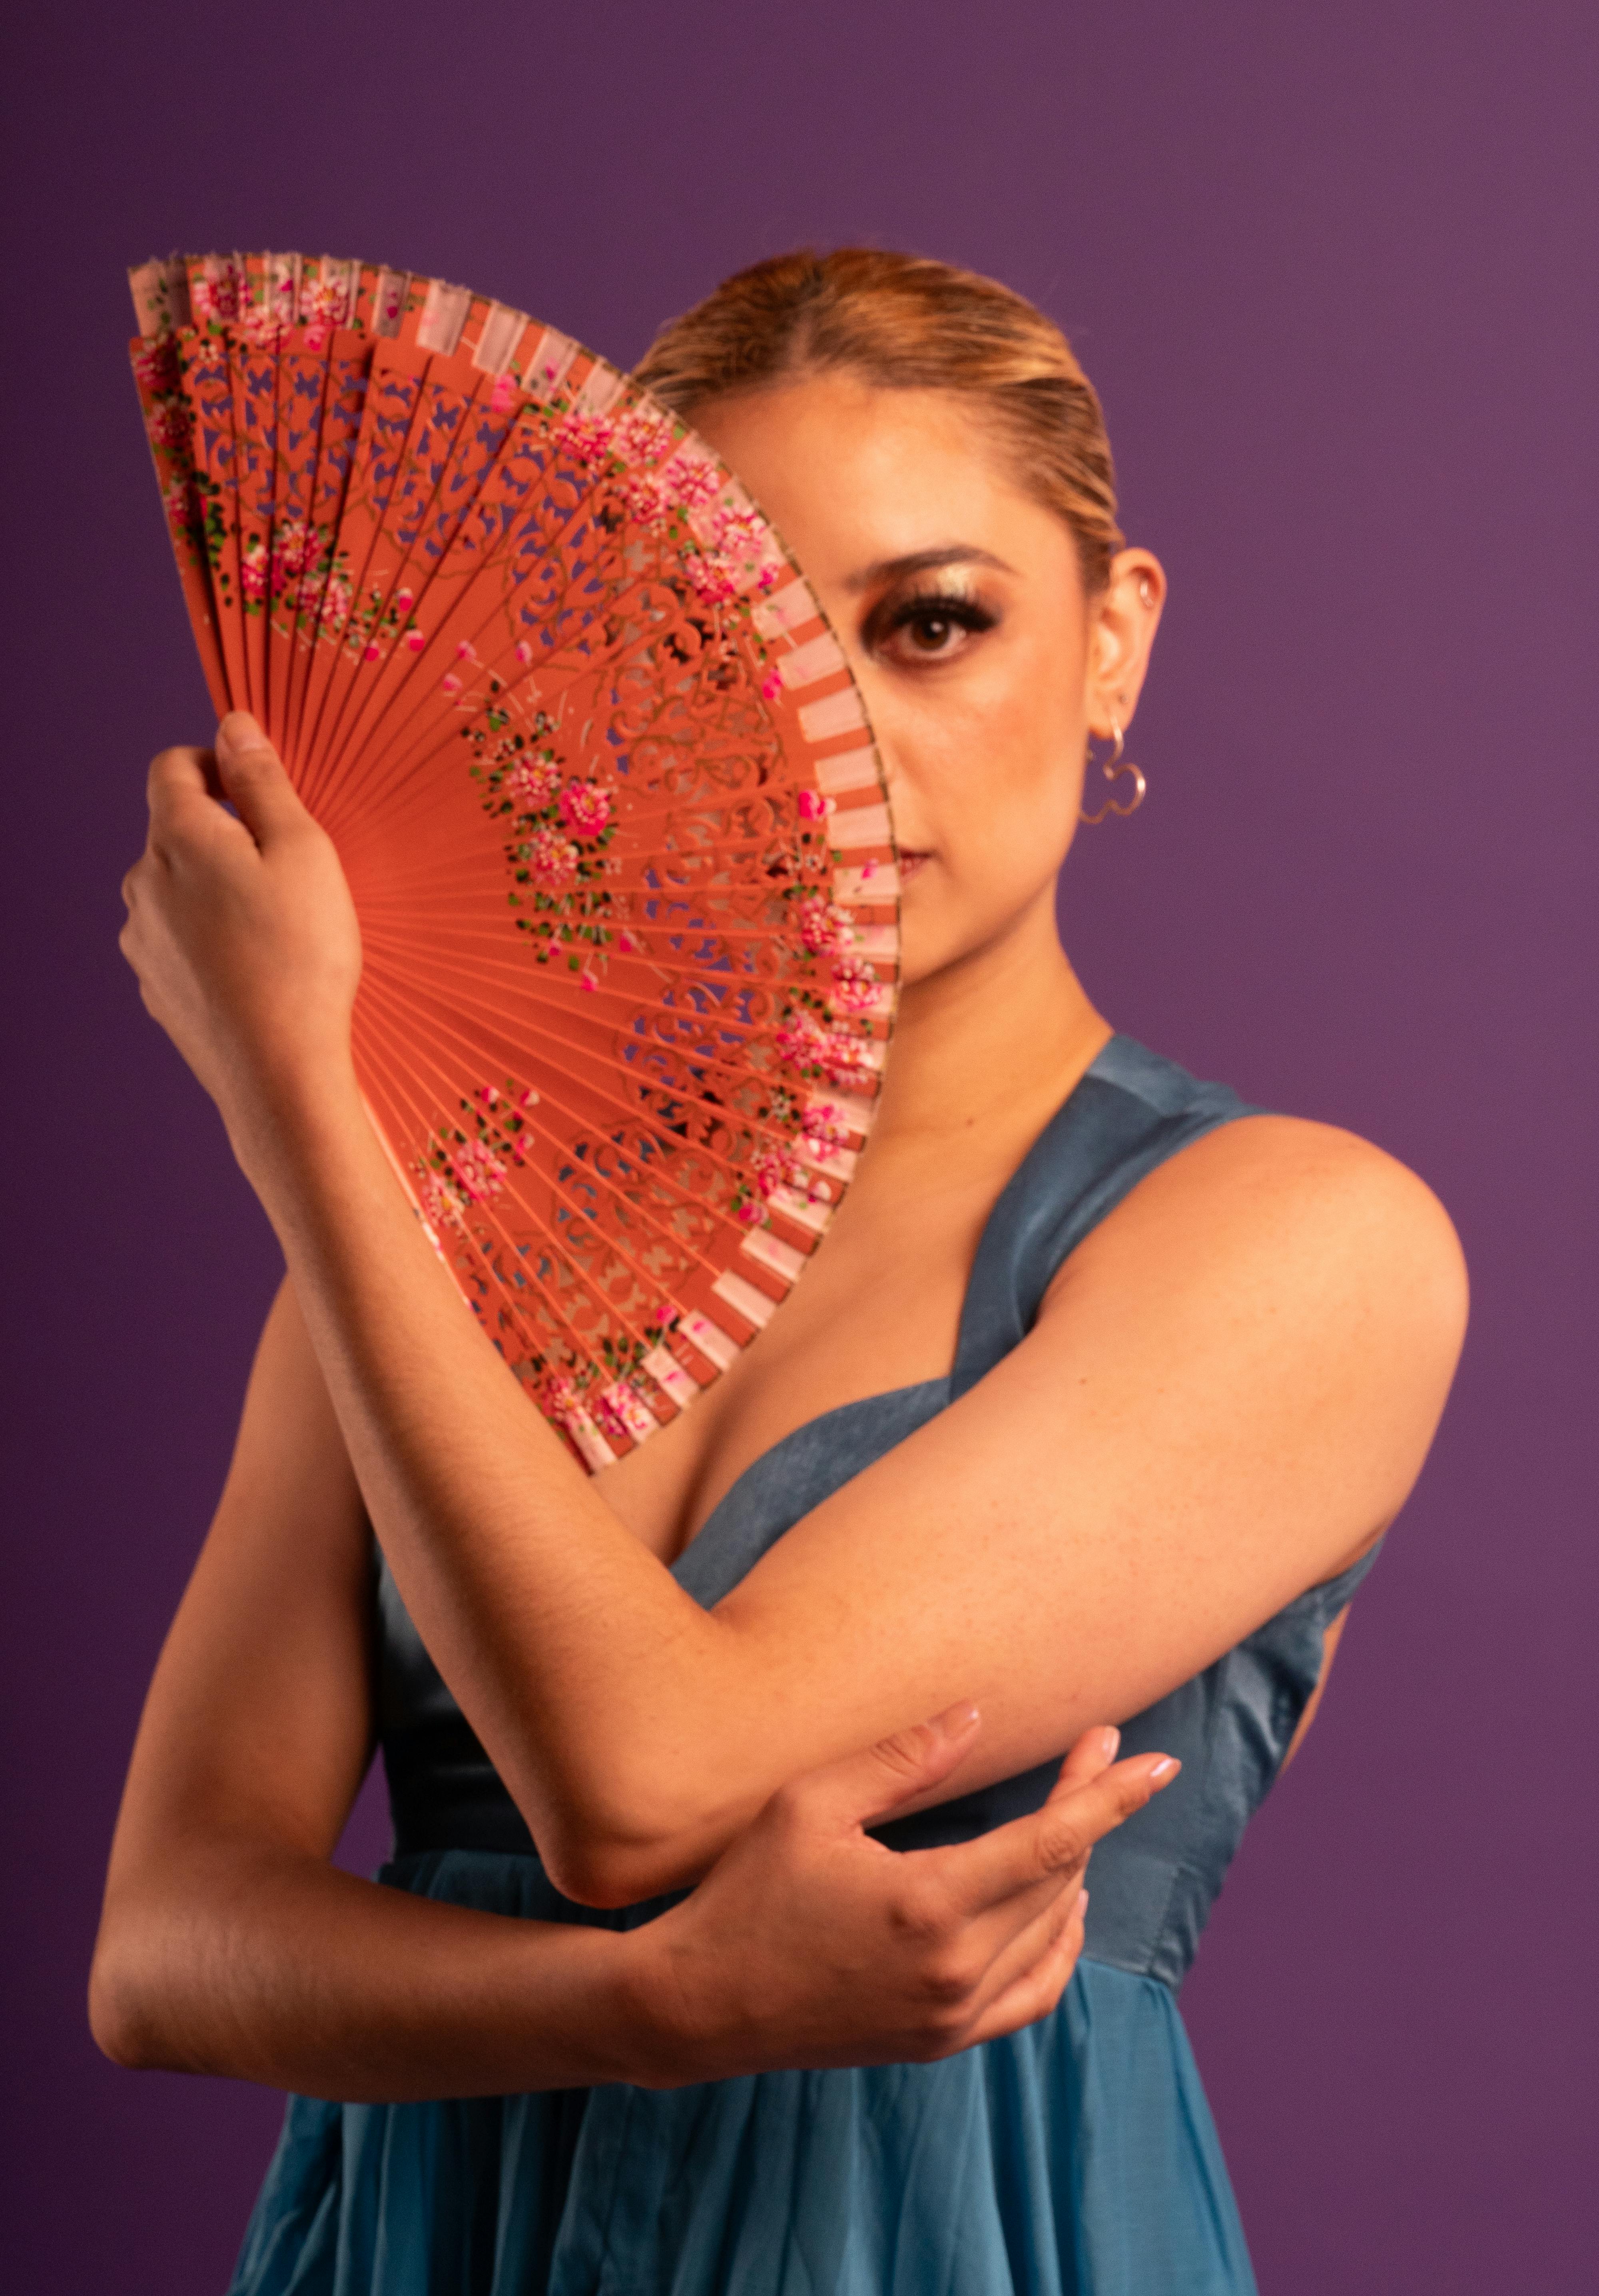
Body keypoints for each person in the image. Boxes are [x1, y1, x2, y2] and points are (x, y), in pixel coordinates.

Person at [96, 248, 1467, 2294]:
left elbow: (642, 1789)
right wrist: (637, 2008)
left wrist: (294, 1102)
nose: (819, 747)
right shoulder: (434, 1222)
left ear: (1112, 643)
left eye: (929, 627)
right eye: (716, 647)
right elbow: (161, 1951)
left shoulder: (1297, 1240)